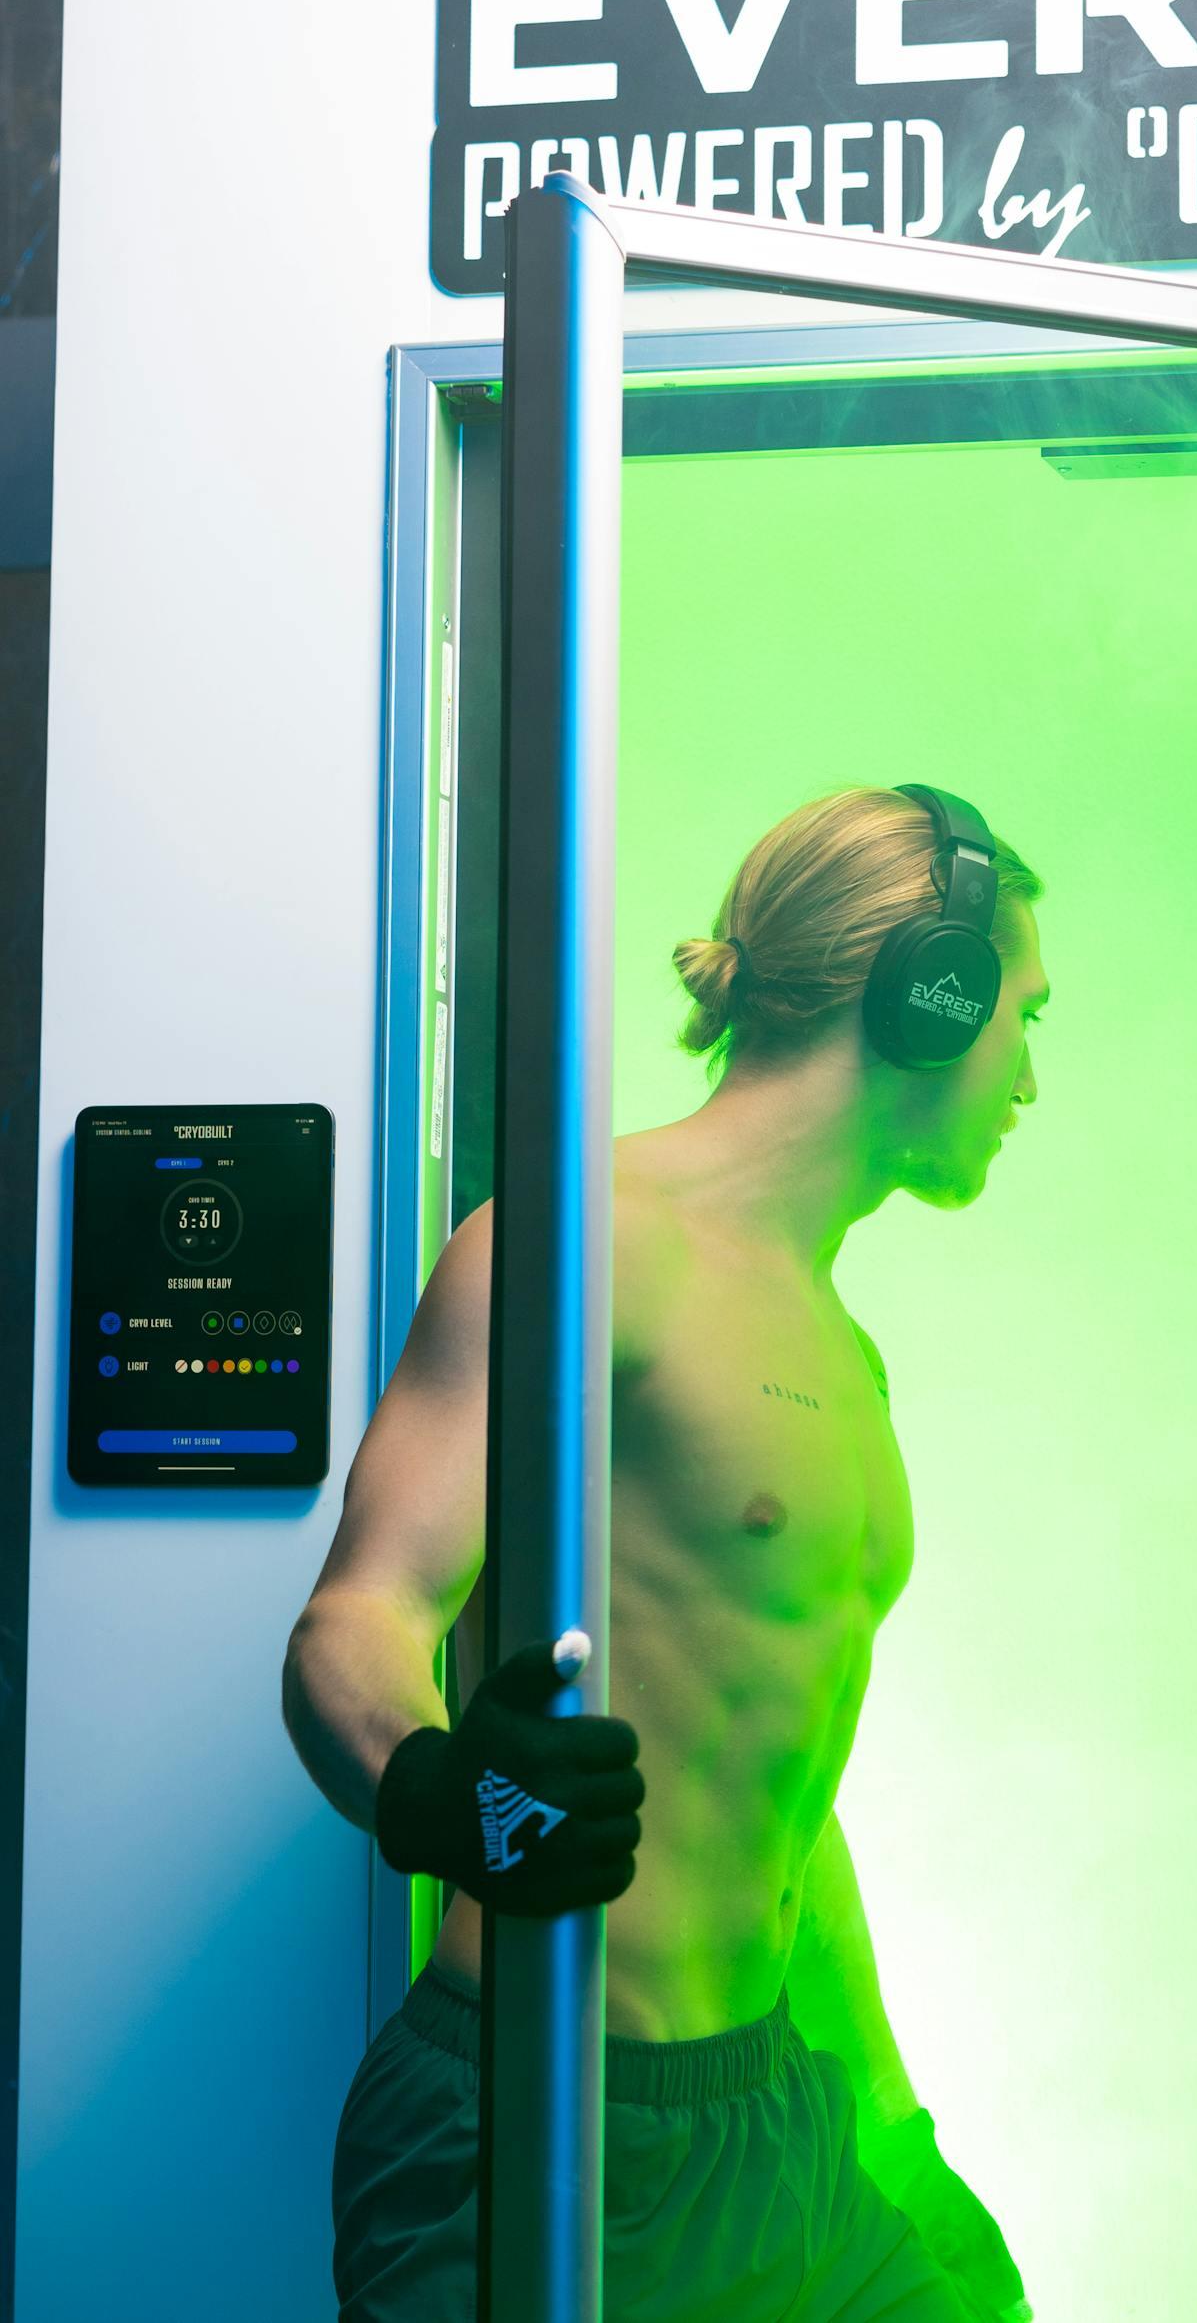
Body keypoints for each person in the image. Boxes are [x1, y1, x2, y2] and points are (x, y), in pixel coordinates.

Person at [284, 785, 1048, 2321]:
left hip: (786, 2123)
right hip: (547, 2113)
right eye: (1019, 1013)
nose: (1030, 1074)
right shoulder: (584, 1243)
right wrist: (448, 1792)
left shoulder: (841, 1349)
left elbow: (786, 1794)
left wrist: (896, 2135)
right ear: (928, 991)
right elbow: (354, 1623)